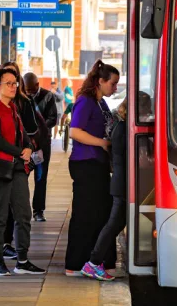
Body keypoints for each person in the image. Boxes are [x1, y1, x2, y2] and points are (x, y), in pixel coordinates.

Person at [0, 68, 45, 276]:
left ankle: (22, 260)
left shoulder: (13, 109)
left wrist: (27, 148)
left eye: (15, 83)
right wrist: (22, 151)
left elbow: (22, 133)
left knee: (23, 214)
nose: (13, 87)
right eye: (8, 83)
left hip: (17, 167)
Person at [64, 60, 119, 277]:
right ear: (100, 81)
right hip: (86, 163)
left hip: (98, 164)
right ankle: (75, 264)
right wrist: (102, 143)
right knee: (85, 215)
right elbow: (74, 131)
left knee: (101, 214)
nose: (115, 88)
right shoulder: (85, 102)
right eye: (113, 84)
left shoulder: (101, 103)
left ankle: (97, 261)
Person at [82, 98, 128, 281]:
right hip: (122, 184)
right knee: (113, 224)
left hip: (120, 182)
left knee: (116, 224)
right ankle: (93, 263)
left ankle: (94, 262)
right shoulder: (124, 129)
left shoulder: (119, 125)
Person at [23, 72, 57, 222]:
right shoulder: (21, 97)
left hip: (42, 144)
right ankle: (22, 210)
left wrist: (38, 130)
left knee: (41, 177)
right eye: (26, 89)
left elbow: (53, 118)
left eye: (31, 90)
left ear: (37, 85)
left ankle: (38, 210)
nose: (29, 93)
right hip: (25, 144)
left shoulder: (48, 96)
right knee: (21, 177)